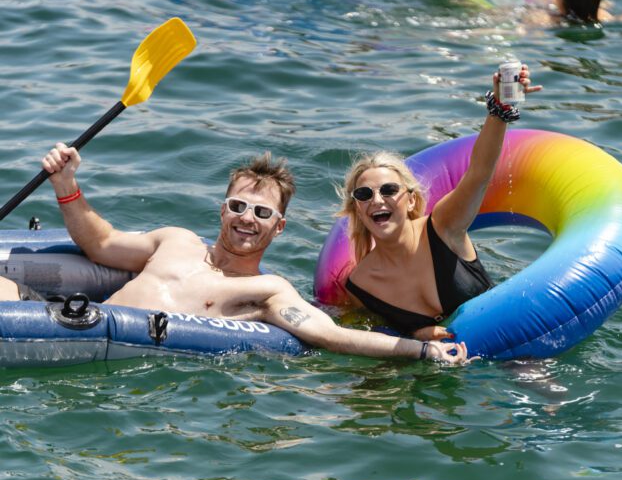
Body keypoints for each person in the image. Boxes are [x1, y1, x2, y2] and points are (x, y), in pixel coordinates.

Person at [0, 146, 468, 365]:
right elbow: (99, 244)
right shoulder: (176, 240)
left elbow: (332, 337)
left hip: (117, 357)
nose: (247, 218)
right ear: (222, 210)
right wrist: (66, 186)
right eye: (238, 206)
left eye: (262, 212)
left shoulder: (264, 290)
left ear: (279, 226)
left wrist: (423, 351)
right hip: (71, 320)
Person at [337, 64, 541, 341]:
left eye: (388, 190)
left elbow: (479, 174)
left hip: (510, 351)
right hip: (434, 375)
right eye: (364, 195)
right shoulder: (360, 285)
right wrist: (416, 337)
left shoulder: (443, 227)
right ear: (358, 211)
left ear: (410, 201)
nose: (377, 200)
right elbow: (376, 339)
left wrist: (499, 110)